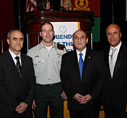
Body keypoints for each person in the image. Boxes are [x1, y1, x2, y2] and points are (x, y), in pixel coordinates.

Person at [60, 30, 105, 118]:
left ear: (87, 40)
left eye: (82, 37)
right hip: (74, 104)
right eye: (76, 37)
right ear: (73, 41)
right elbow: (64, 78)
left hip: (92, 104)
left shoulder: (97, 56)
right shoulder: (66, 58)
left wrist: (92, 95)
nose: (79, 40)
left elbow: (101, 77)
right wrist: (73, 94)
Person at [27, 22, 67, 118]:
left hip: (57, 90)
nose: (47, 34)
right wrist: (30, 96)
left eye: (50, 30)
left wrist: (66, 89)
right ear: (40, 34)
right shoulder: (32, 52)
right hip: (39, 91)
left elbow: (66, 72)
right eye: (44, 31)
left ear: (53, 33)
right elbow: (28, 76)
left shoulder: (62, 50)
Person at [0, 29, 36, 118]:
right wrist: (15, 105)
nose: (18, 42)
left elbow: (32, 83)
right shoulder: (1, 60)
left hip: (26, 110)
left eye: (21, 39)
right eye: (15, 39)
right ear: (8, 41)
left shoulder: (28, 60)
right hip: (7, 109)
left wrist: (27, 103)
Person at [102, 24, 127, 118]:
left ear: (120, 34)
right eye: (109, 33)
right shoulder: (102, 54)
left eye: (115, 33)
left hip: (124, 103)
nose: (112, 36)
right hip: (108, 103)